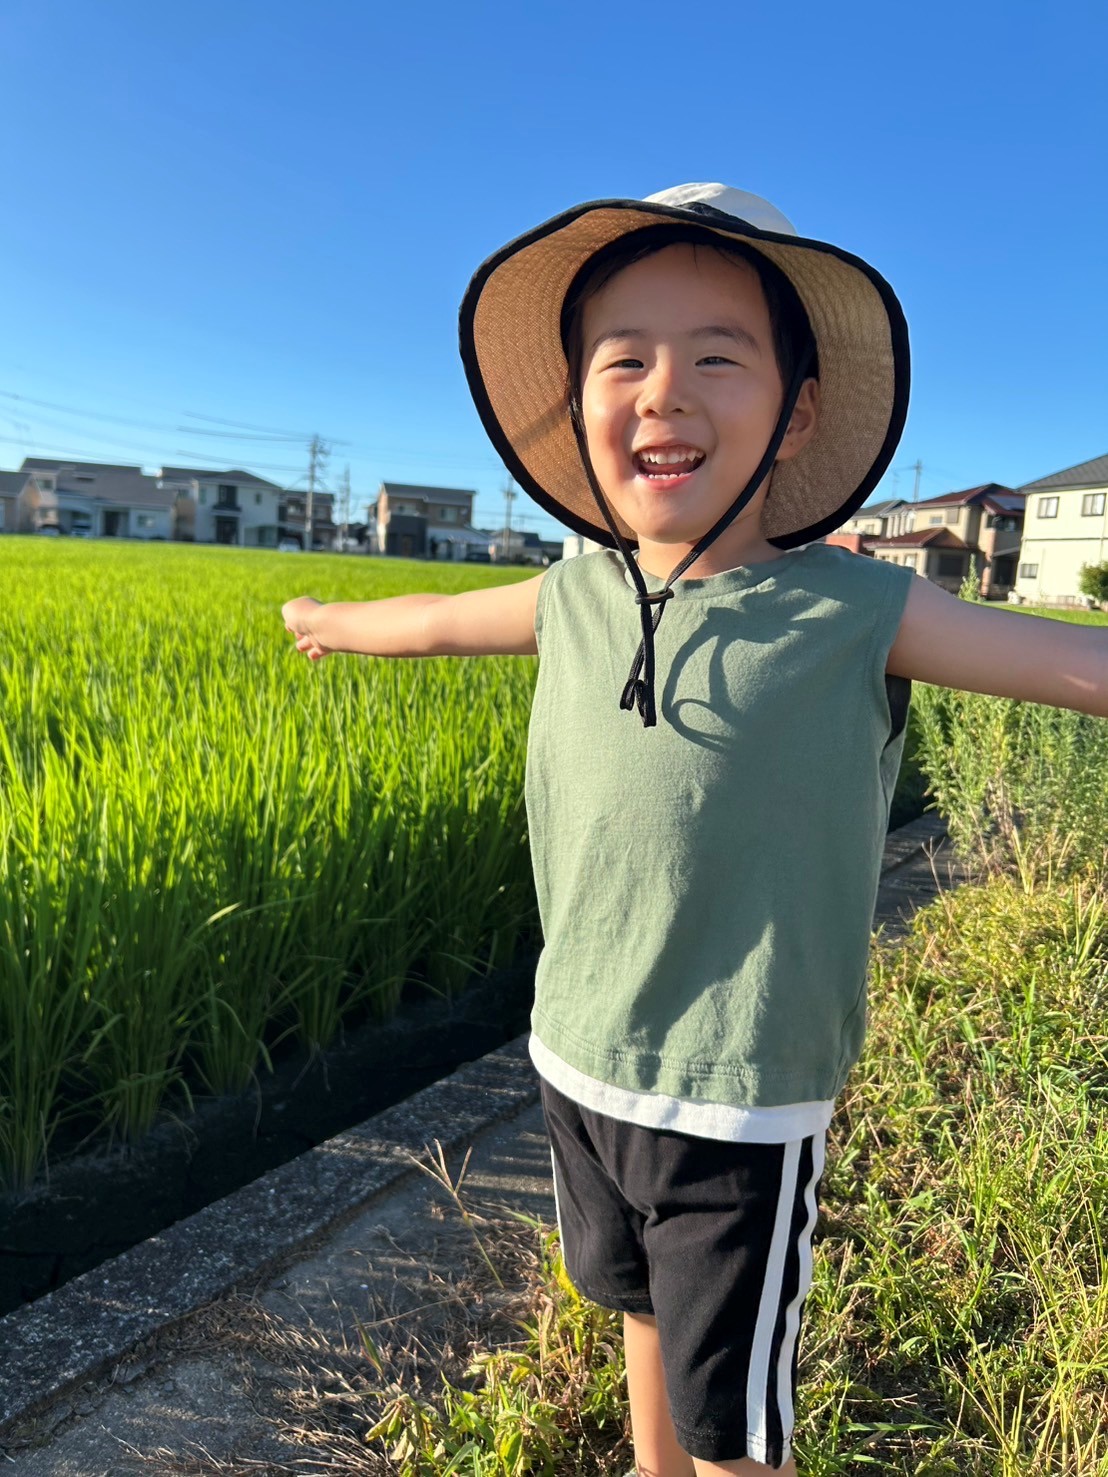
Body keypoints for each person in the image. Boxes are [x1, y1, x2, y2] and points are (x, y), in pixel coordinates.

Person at [282, 184, 1108, 1476]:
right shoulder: (574, 593)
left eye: (717, 358)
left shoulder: (856, 611)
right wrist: (331, 620)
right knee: (637, 1313)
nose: (663, 392)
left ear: (799, 412)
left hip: (739, 1097)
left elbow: (1073, 664)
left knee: (735, 1421)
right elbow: (438, 619)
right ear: (580, 410)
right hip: (579, 1060)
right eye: (624, 361)